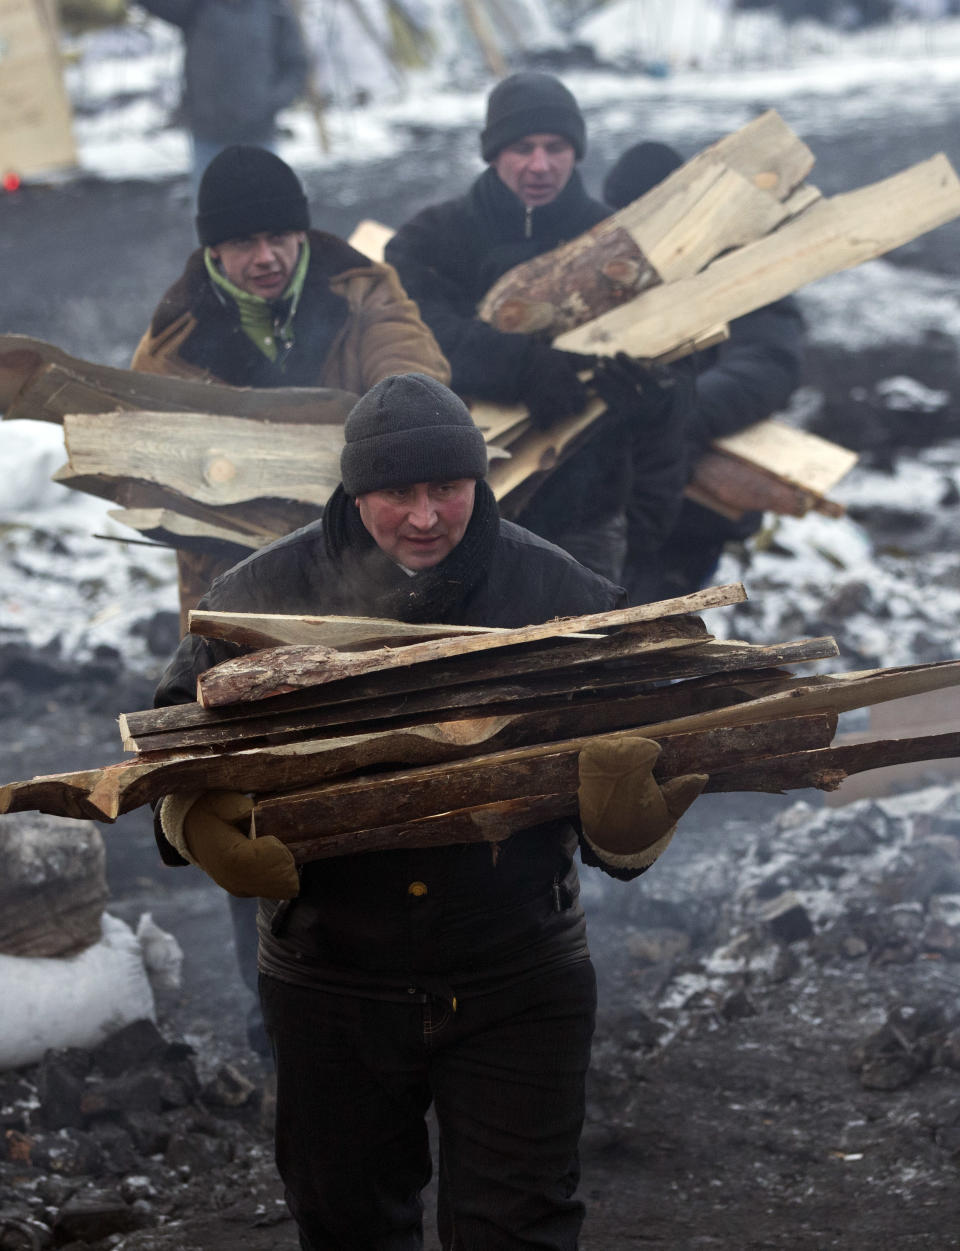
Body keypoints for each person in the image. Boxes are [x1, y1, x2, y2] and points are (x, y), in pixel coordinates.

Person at [151, 372, 706, 1250]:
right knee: (348, 1225)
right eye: (396, 492)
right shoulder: (257, 598)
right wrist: (193, 823)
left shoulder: (557, 595)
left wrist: (631, 826)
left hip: (517, 968)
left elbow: (650, 754)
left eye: (445, 487)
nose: (424, 516)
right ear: (354, 489)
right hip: (332, 975)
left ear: (478, 483)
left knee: (517, 1229)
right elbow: (174, 744)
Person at [133, 146, 449, 1056]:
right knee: (251, 794)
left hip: (372, 587)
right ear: (214, 253)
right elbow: (142, 450)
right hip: (240, 603)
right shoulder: (178, 337)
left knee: (382, 773)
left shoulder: (361, 290)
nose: (266, 255)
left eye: (278, 233)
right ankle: (274, 1007)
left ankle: (407, 988)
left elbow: (413, 374)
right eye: (242, 242)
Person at [385, 71, 693, 585]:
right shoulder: (430, 240)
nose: (540, 165)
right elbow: (414, 333)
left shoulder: (618, 244)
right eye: (522, 147)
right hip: (448, 518)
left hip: (584, 516)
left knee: (581, 659)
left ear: (577, 152)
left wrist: (650, 396)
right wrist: (519, 364)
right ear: (492, 152)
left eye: (556, 147)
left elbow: (681, 369)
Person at [603, 140, 807, 603]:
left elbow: (768, 364)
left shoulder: (737, 266)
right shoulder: (611, 273)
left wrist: (669, 413)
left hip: (690, 506)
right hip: (609, 498)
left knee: (646, 637)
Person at [138, 0, 309, 190]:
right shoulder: (197, 6)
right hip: (208, 136)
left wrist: (271, 103)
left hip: (258, 135)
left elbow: (296, 65)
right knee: (212, 213)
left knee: (266, 209)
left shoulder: (273, 9)